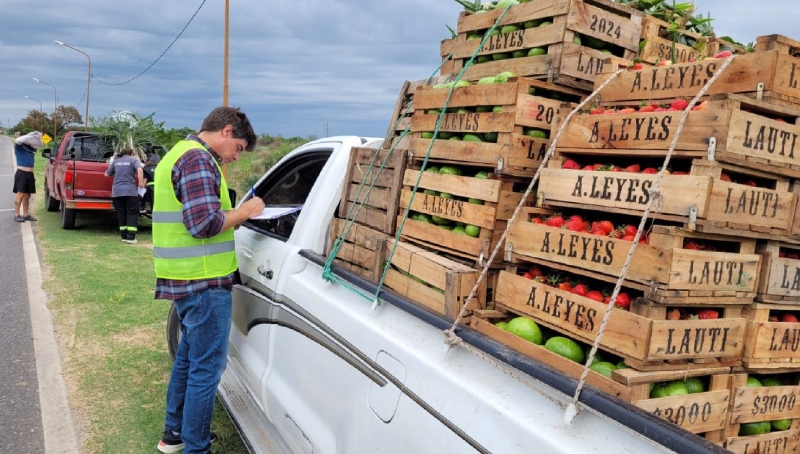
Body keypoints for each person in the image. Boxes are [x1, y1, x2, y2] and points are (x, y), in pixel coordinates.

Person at [153, 107, 265, 454]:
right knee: (206, 370)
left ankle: (174, 435)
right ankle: (196, 448)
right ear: (227, 131)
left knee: (188, 359)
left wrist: (234, 215)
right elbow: (202, 224)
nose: (236, 156)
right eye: (239, 148)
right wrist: (245, 211)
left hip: (187, 280)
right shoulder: (199, 160)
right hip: (204, 283)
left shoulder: (178, 153)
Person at [105, 148, 145, 243]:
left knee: (121, 213)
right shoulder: (133, 160)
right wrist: (141, 183)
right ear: (132, 154)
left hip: (117, 192)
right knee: (132, 212)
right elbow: (139, 169)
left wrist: (118, 173)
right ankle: (131, 237)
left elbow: (106, 174)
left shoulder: (116, 161)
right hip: (130, 191)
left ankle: (124, 236)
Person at [13, 131, 44, 222]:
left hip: (30, 174)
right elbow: (18, 139)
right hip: (21, 173)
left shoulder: (31, 148)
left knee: (27, 195)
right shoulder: (19, 146)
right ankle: (17, 214)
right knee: (21, 194)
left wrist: (38, 135)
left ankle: (26, 215)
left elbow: (40, 144)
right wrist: (31, 135)